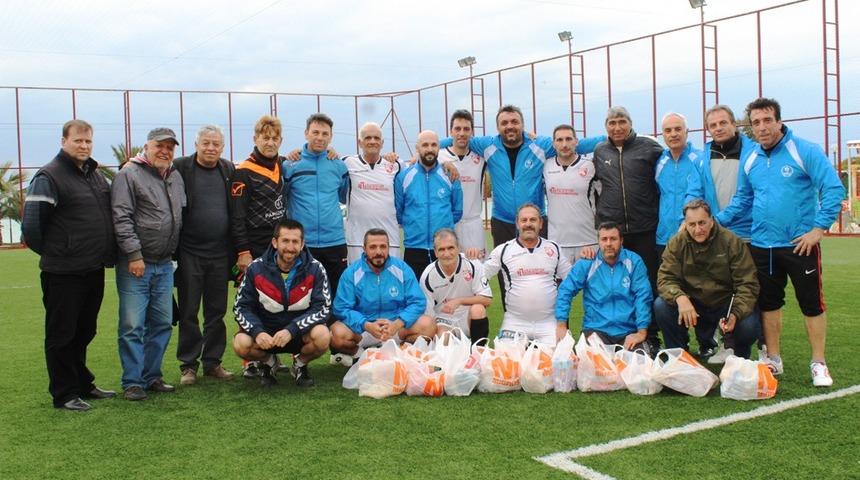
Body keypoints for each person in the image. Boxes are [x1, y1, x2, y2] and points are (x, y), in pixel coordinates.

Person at [716, 97, 844, 387]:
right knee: (770, 304)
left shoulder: (804, 151)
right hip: (763, 246)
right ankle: (773, 358)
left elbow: (833, 189)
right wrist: (717, 220)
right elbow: (743, 200)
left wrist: (818, 229)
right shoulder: (750, 159)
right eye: (756, 122)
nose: (762, 127)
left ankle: (819, 363)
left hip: (800, 245)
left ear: (779, 121)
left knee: (811, 305)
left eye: (767, 121)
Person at [22, 119, 117, 411]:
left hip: (92, 268)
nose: (84, 146)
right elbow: (32, 227)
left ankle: (82, 383)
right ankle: (64, 394)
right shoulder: (49, 176)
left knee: (85, 330)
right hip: (63, 272)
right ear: (64, 141)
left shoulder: (95, 175)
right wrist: (62, 251)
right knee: (62, 333)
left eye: (88, 141)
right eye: (78, 141)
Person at [111, 127, 185, 401]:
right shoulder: (128, 174)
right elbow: (121, 217)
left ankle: (151, 376)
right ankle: (132, 381)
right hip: (136, 265)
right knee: (132, 325)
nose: (165, 151)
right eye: (160, 146)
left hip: (165, 264)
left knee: (163, 323)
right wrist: (134, 255)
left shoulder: (175, 176)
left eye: (170, 147)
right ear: (147, 146)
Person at [592, 106, 664, 351]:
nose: (617, 127)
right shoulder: (600, 150)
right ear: (606, 127)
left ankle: (651, 335)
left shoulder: (649, 147)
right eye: (612, 123)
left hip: (645, 228)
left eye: (622, 121)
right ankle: (617, 332)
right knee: (614, 285)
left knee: (647, 284)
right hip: (614, 232)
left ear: (630, 123)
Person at [695, 104, 761, 363]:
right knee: (721, 291)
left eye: (723, 123)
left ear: (734, 124)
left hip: (747, 234)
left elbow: (747, 197)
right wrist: (690, 219)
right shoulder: (703, 156)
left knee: (750, 292)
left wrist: (714, 221)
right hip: (714, 234)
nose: (718, 128)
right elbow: (695, 189)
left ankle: (764, 348)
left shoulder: (753, 153)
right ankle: (725, 344)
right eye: (713, 125)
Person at [655, 200, 761, 359]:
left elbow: (748, 283)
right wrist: (680, 298)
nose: (698, 229)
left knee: (748, 326)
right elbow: (665, 278)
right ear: (685, 223)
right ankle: (678, 354)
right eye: (692, 224)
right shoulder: (676, 243)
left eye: (702, 223)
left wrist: (736, 313)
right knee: (661, 306)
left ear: (711, 220)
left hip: (724, 302)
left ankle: (739, 353)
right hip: (693, 303)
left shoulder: (732, 242)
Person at [233, 219, 332, 387]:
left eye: (295, 242)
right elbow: (240, 307)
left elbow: (323, 307)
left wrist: (292, 329)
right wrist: (257, 332)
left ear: (302, 244)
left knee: (323, 335)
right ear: (274, 242)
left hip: (299, 333)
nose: (290, 247)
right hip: (267, 335)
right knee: (241, 344)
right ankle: (269, 362)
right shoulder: (255, 268)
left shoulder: (316, 268)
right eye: (285, 240)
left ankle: (299, 365)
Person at [173, 125, 235, 385]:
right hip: (189, 253)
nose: (211, 148)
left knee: (216, 312)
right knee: (188, 311)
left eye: (216, 144)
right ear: (196, 144)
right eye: (206, 143)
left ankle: (213, 362)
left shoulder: (228, 169)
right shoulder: (181, 167)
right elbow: (151, 168)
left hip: (220, 254)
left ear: (222, 147)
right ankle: (188, 365)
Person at [230, 115, 287, 378]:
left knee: (276, 301)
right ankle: (251, 361)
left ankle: (273, 354)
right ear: (255, 139)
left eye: (275, 138)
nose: (270, 143)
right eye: (265, 138)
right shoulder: (243, 171)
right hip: (252, 249)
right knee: (250, 303)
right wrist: (242, 251)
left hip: (277, 250)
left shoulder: (282, 165)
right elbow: (236, 217)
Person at [330, 228, 435, 362]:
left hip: (396, 327)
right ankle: (360, 354)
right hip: (364, 329)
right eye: (373, 247)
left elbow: (418, 301)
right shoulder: (352, 273)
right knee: (335, 334)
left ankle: (398, 352)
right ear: (364, 248)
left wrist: (397, 323)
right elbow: (341, 307)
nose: (378, 252)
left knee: (429, 325)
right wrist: (366, 324)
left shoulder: (401, 269)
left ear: (389, 247)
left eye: (383, 247)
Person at [555, 222, 653, 353]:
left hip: (628, 332)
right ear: (598, 242)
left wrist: (641, 332)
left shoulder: (634, 261)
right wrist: (562, 324)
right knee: (592, 368)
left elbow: (643, 296)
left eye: (613, 239)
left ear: (621, 240)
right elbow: (565, 290)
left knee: (639, 367)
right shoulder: (587, 263)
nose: (608, 244)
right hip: (596, 330)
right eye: (604, 239)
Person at [484, 203, 572, 345]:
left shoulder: (554, 249)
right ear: (517, 224)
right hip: (515, 322)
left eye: (533, 220)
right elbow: (481, 275)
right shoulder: (504, 250)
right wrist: (469, 260)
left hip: (548, 321)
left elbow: (572, 279)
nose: (528, 224)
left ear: (541, 223)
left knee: (561, 362)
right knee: (507, 364)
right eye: (524, 220)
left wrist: (587, 260)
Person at [283, 113, 350, 298]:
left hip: (335, 241)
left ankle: (334, 328)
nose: (320, 137)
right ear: (306, 133)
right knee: (302, 296)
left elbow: (344, 197)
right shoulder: (291, 165)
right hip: (304, 243)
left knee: (337, 295)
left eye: (325, 133)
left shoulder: (338, 165)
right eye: (315, 132)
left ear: (331, 136)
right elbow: (283, 198)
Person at [394, 130, 463, 278]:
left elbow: (457, 212)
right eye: (425, 145)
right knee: (416, 298)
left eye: (433, 145)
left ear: (439, 148)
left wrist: (443, 225)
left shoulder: (450, 174)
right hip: (414, 248)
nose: (430, 149)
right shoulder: (404, 176)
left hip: (443, 248)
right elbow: (399, 212)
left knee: (446, 298)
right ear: (417, 148)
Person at [342, 122, 403, 263]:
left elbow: (419, 162)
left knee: (391, 282)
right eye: (368, 138)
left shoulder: (396, 165)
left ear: (382, 143)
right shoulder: (347, 163)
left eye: (376, 138)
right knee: (358, 282)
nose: (372, 141)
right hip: (357, 241)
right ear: (360, 142)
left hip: (389, 239)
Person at [419, 229, 492, 342]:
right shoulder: (428, 275)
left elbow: (487, 299)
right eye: (441, 249)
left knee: (478, 309)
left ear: (458, 248)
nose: (447, 254)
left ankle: (478, 352)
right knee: (443, 337)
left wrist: (459, 301)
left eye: (450, 248)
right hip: (443, 320)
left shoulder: (472, 264)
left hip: (467, 317)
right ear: (435, 252)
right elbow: (428, 315)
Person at [543, 124, 598, 264]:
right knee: (561, 286)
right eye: (559, 140)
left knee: (592, 286)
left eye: (568, 139)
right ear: (553, 144)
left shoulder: (591, 166)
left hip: (588, 241)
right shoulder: (545, 166)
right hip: (557, 242)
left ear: (576, 141)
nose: (564, 144)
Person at [437, 110, 488, 259]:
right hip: (448, 225)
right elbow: (420, 153)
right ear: (450, 131)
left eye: (466, 129)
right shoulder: (438, 156)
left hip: (473, 225)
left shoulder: (481, 157)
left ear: (472, 132)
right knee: (450, 272)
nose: (461, 133)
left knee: (478, 272)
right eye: (457, 129)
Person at [655, 112, 703, 254]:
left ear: (687, 132)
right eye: (668, 130)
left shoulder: (700, 159)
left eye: (678, 129)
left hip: (694, 236)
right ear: (662, 135)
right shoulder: (659, 162)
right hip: (664, 239)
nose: (673, 134)